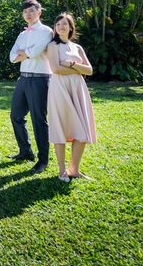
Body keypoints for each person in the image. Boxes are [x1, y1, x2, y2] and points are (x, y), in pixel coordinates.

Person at [46, 13, 96, 182]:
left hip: (78, 88)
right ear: (55, 27)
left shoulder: (78, 48)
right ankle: (62, 171)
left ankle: (74, 169)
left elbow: (89, 71)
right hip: (60, 88)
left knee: (81, 128)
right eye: (58, 24)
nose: (61, 27)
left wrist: (72, 64)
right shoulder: (52, 45)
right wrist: (78, 69)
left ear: (71, 27)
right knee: (60, 127)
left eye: (65, 24)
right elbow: (56, 69)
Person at [7, 0, 54, 174]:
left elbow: (34, 53)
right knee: (16, 115)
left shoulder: (46, 31)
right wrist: (25, 53)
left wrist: (24, 53)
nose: (28, 14)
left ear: (39, 12)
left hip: (40, 79)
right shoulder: (22, 34)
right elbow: (12, 57)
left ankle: (43, 160)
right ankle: (26, 151)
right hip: (23, 78)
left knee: (39, 120)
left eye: (32, 11)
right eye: (25, 12)